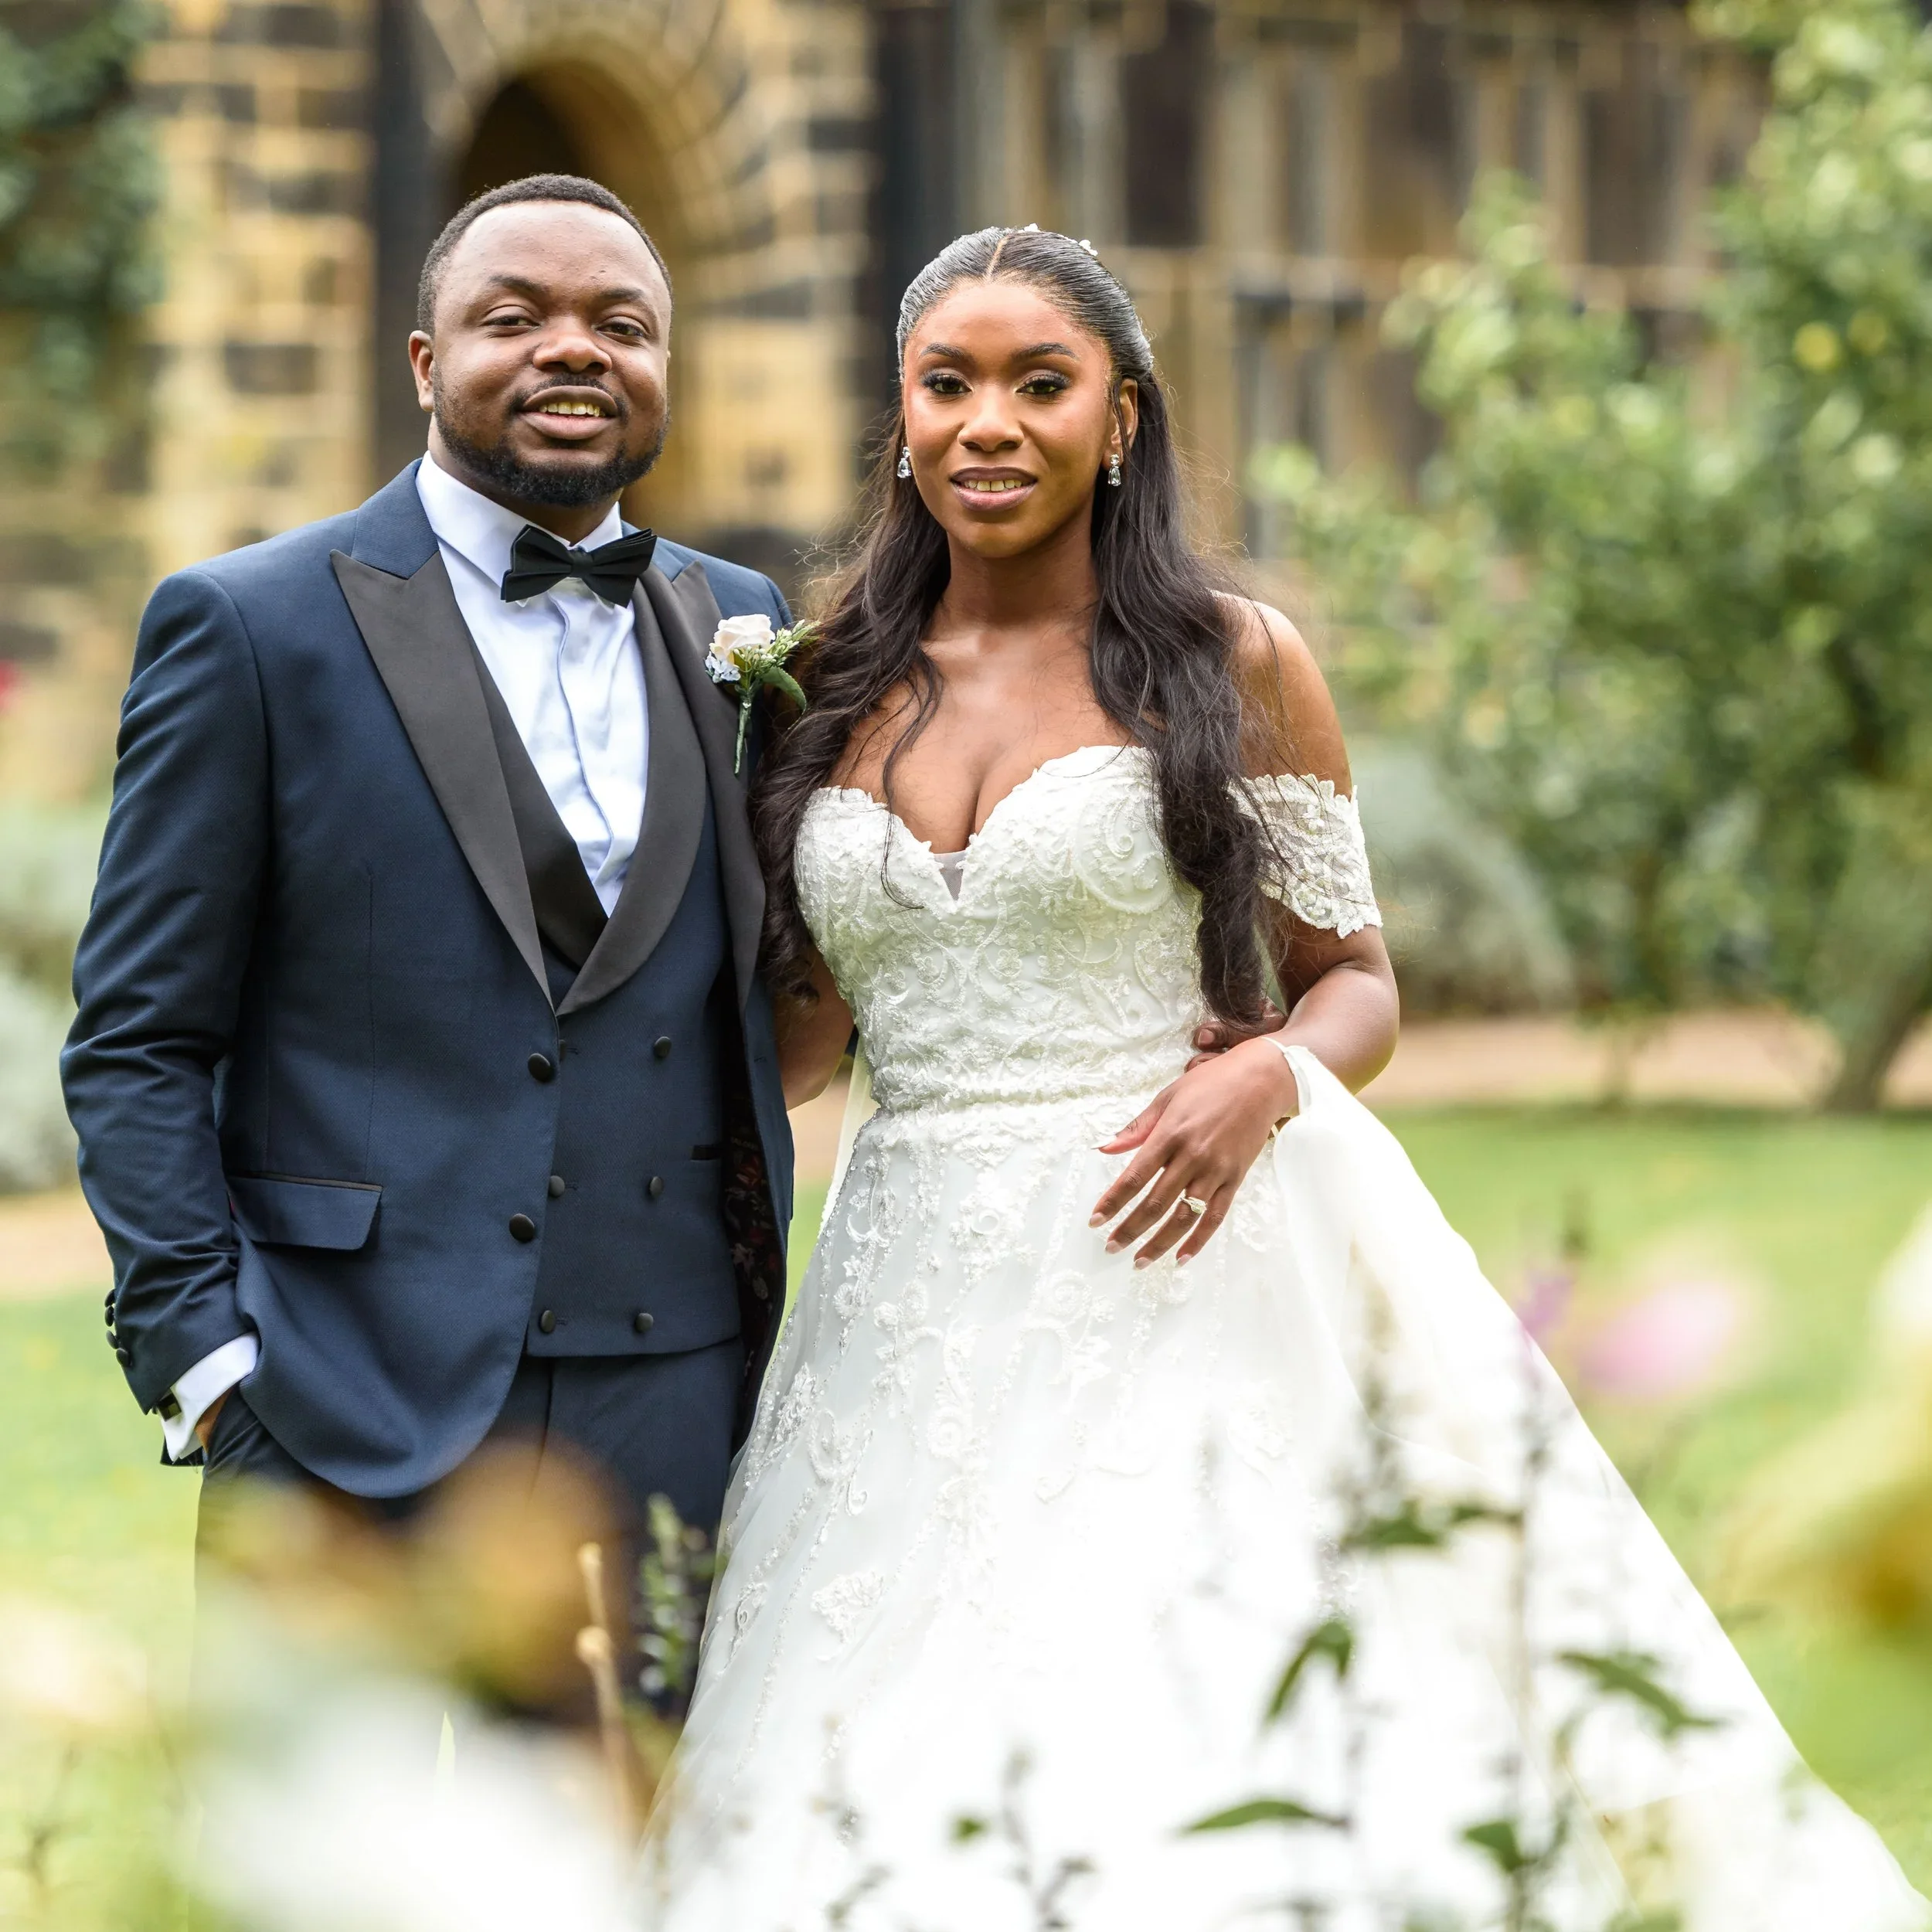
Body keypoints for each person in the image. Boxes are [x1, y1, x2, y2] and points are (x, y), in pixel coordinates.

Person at [648, 227, 1928, 1929]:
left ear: (1118, 420)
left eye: (1042, 382)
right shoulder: (823, 687)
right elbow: (803, 1036)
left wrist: (1265, 1077)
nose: (989, 421)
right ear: (898, 418)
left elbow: (1357, 988)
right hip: (909, 1285)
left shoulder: (1228, 663)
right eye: (947, 382)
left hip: (1177, 1246)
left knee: (1183, 1686)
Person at [62, 174, 792, 1675]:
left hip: (670, 1408)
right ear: (421, 362)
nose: (572, 349)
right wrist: (206, 1363)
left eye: (620, 322)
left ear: (667, 364)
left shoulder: (741, 621)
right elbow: (140, 1036)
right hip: (338, 1403)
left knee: (632, 1883)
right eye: (511, 316)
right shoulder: (251, 625)